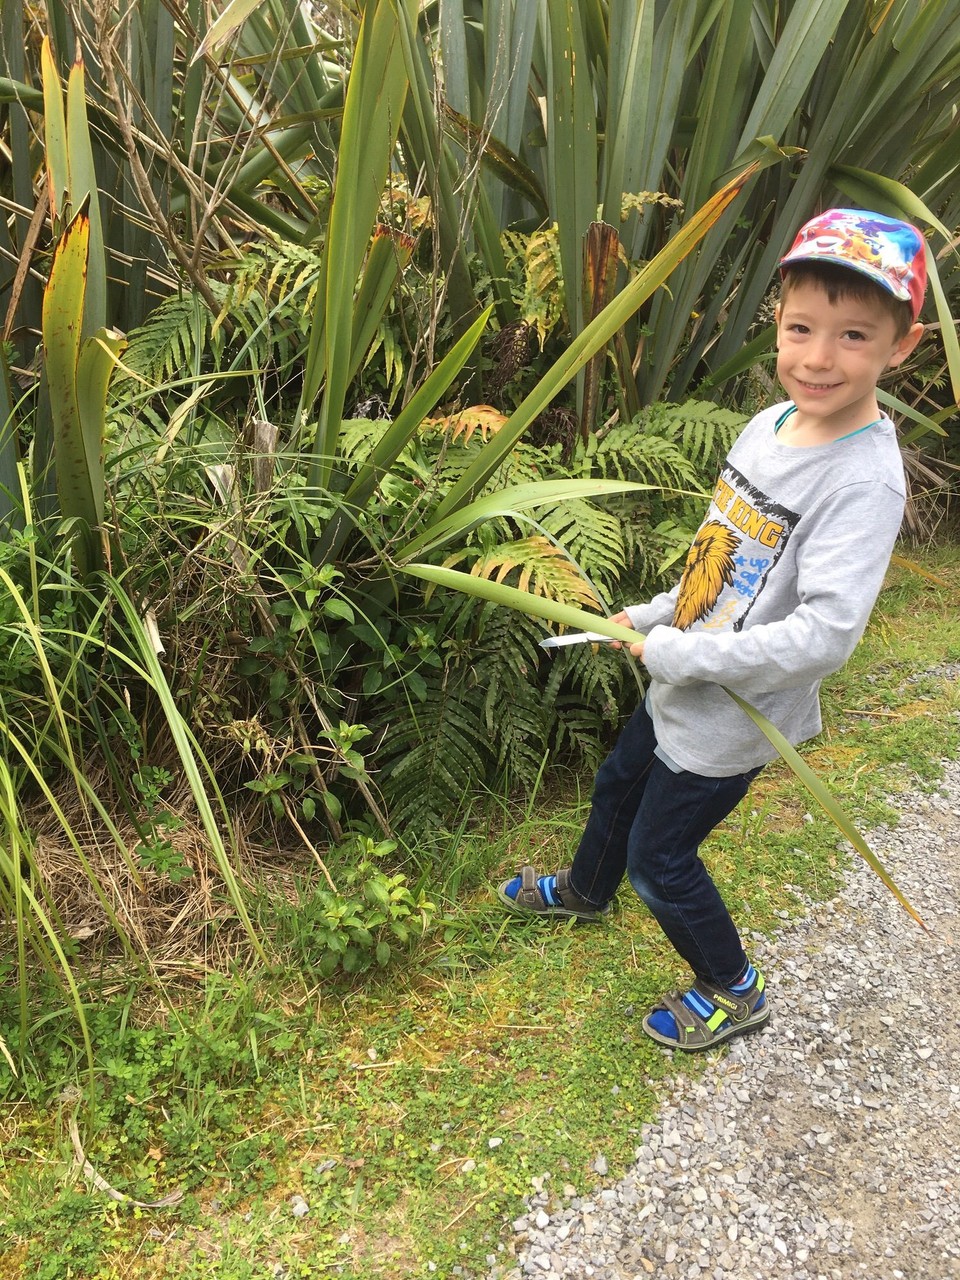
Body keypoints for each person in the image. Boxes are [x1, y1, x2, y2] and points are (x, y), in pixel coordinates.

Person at [498, 208, 927, 1051]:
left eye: (853, 336)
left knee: (663, 862)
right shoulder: (767, 426)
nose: (817, 357)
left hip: (731, 721)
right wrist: (656, 616)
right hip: (676, 681)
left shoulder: (863, 482)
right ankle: (586, 890)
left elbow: (827, 636)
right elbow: (719, 558)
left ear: (899, 347)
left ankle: (733, 987)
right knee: (617, 787)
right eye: (802, 327)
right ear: (778, 320)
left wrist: (680, 652)